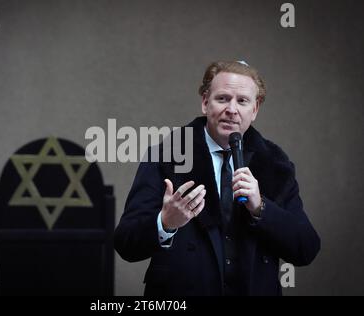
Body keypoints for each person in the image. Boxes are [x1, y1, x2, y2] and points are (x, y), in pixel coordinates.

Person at [114, 61, 321, 296]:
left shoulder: (275, 164)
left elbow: (306, 248)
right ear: (205, 102)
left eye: (242, 101)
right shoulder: (165, 155)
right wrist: (165, 223)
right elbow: (126, 244)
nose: (232, 109)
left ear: (255, 109)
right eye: (222, 98)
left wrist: (261, 208)